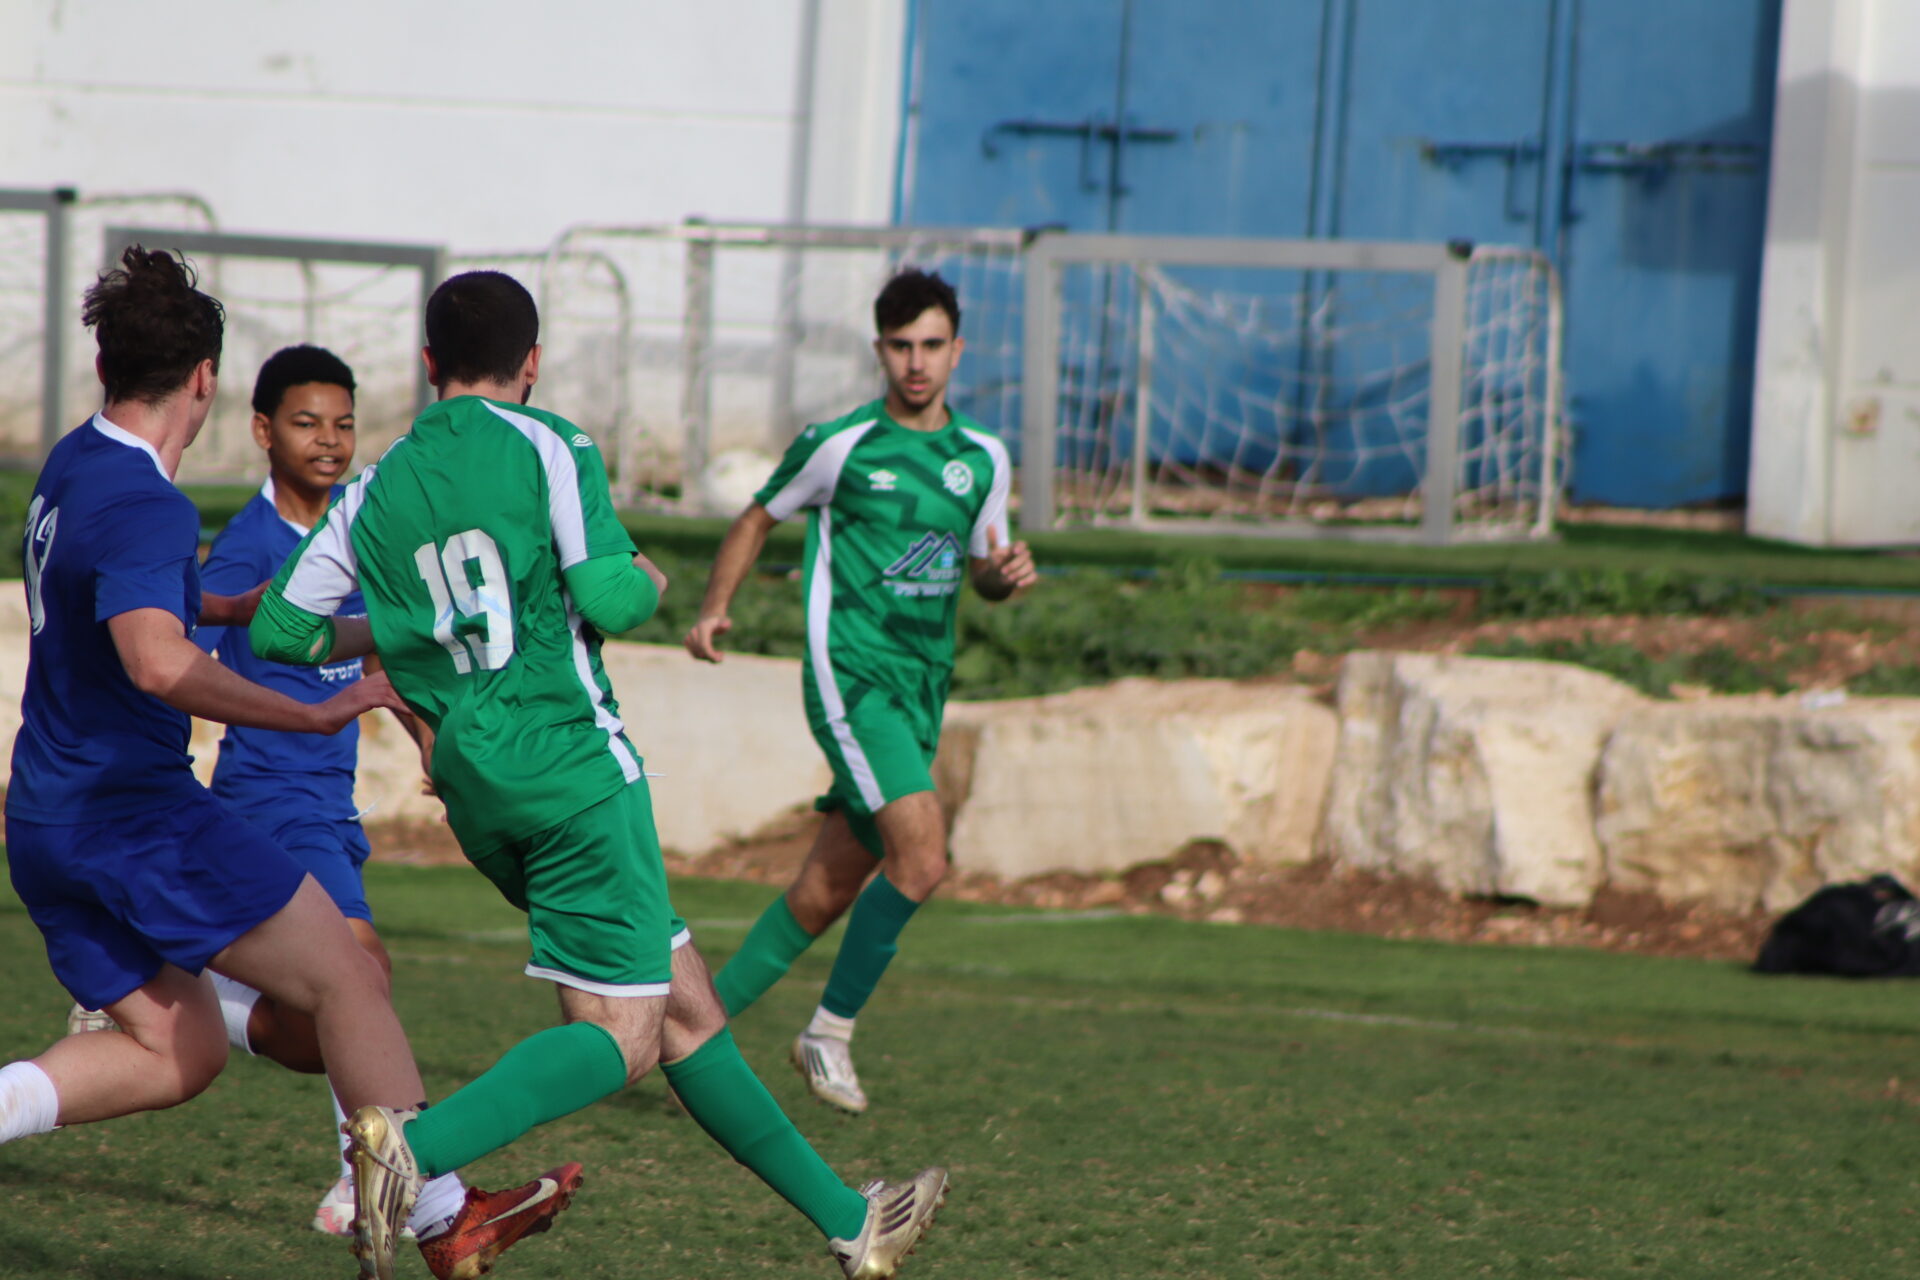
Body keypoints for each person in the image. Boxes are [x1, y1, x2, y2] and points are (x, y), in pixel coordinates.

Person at [250, 270, 949, 1280]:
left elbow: (280, 630)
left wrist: (401, 637)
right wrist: (652, 580)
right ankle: (412, 1151)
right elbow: (613, 598)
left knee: (686, 1010)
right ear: (531, 363)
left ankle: (854, 1225)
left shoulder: (372, 489)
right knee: (622, 1035)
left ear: (429, 363)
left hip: (479, 795)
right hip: (575, 772)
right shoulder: (550, 444)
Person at [0, 247, 576, 1280]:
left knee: (178, 1051)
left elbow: (126, 600)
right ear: (208, 380)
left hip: (47, 816)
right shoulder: (150, 503)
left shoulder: (73, 464)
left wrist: (249, 609)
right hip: (131, 816)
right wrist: (311, 715)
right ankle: (444, 1216)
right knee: (348, 975)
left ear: (103, 366)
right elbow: (154, 657)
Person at [684, 268, 1038, 1115]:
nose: (916, 362)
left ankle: (681, 1037)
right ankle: (828, 1033)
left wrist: (1004, 574)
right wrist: (714, 608)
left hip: (922, 689)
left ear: (957, 350)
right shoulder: (841, 445)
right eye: (901, 346)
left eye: (931, 345)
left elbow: (983, 574)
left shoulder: (983, 457)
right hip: (853, 676)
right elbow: (757, 516)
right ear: (880, 350)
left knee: (825, 890)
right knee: (923, 858)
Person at [189, 344, 460, 1239]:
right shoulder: (245, 551)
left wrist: (430, 744)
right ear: (263, 431)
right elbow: (176, 658)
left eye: (344, 424)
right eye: (307, 423)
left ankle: (192, 994)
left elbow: (383, 653)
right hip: (267, 798)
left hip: (330, 805)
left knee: (328, 1014)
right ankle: (368, 1178)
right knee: (361, 972)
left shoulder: (358, 529)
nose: (330, 441)